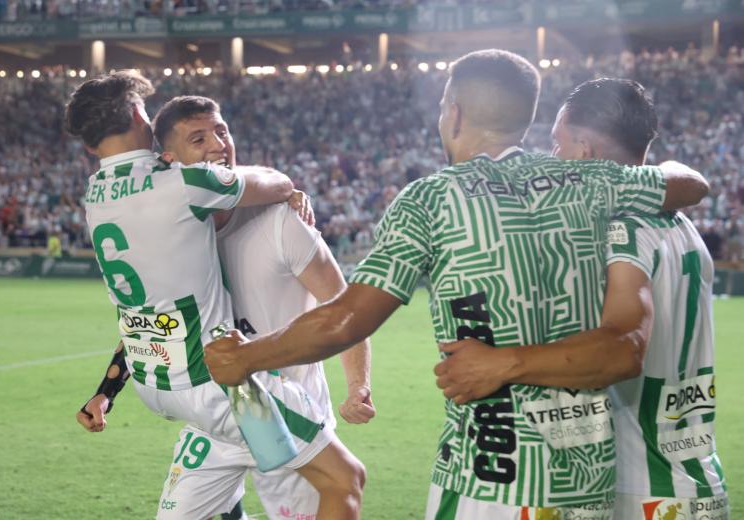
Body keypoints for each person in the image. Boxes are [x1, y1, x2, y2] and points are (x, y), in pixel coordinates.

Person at [203, 49, 709, 519]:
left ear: (455, 113)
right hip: (587, 484)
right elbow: (691, 185)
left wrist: (247, 356)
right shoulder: (588, 181)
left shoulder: (432, 200)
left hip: (491, 478)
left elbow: (347, 318)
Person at [66, 71, 364, 520]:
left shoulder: (95, 195)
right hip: (226, 388)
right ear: (136, 115)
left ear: (89, 146)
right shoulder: (186, 184)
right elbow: (276, 182)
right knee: (344, 479)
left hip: (157, 385)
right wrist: (290, 189)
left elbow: (151, 306)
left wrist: (106, 391)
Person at [434, 78, 729, 520]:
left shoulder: (618, 230)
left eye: (559, 143)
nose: (555, 157)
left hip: (638, 491)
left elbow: (624, 347)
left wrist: (501, 362)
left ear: (586, 151)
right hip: (697, 480)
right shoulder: (683, 228)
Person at [150, 95, 375, 520]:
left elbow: (345, 307)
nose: (218, 144)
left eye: (222, 131)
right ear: (169, 160)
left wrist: (358, 386)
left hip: (292, 416)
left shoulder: (281, 222)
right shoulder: (174, 238)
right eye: (198, 138)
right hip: (216, 419)